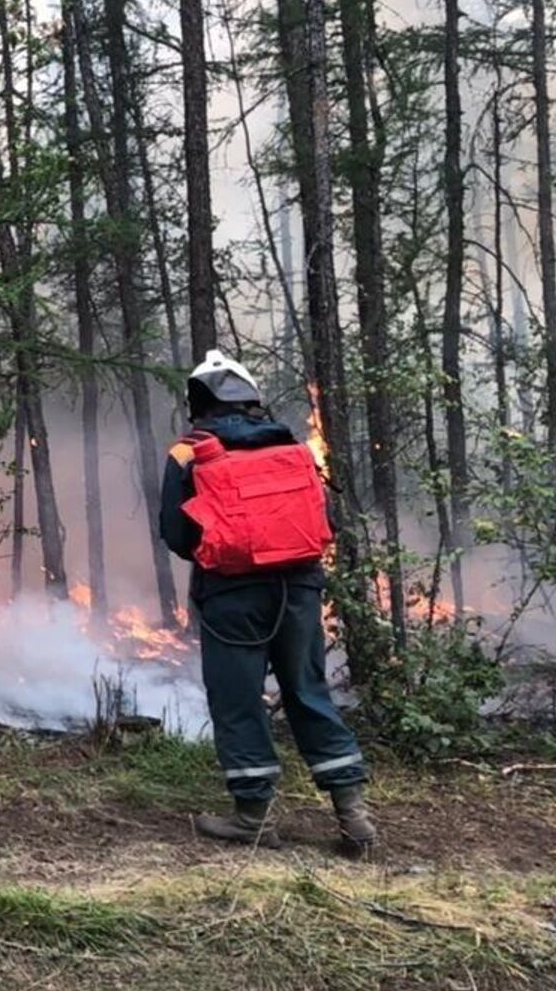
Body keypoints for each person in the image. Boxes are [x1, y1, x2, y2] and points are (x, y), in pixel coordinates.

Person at [160, 350, 375, 854]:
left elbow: (174, 532)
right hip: (300, 588)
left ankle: (253, 818)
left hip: (232, 593)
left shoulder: (190, 453)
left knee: (238, 700)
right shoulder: (294, 446)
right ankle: (354, 816)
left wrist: (221, 554)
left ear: (198, 401)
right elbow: (326, 521)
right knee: (308, 690)